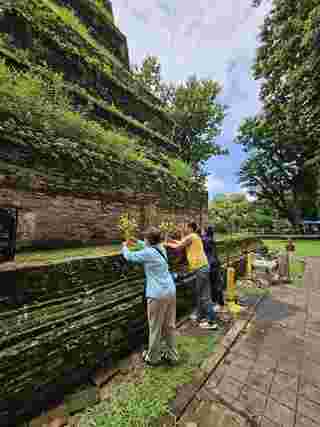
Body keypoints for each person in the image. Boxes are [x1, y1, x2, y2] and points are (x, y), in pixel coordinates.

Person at [122, 227, 179, 366]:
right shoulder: (160, 248)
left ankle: (153, 357)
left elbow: (130, 256)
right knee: (169, 326)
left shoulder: (148, 253)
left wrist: (124, 247)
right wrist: (138, 241)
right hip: (170, 291)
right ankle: (172, 354)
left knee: (155, 327)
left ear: (149, 240)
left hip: (157, 295)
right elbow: (148, 246)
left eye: (145, 238)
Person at [166, 222, 217, 330]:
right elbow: (181, 242)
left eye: (186, 227)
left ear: (190, 228)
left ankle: (211, 321)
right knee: (204, 294)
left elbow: (178, 247)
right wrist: (172, 241)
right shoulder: (195, 236)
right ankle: (202, 316)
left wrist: (165, 244)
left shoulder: (191, 236)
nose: (184, 229)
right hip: (204, 267)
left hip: (200, 269)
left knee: (203, 295)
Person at [202, 226, 224, 311]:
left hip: (211, 264)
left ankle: (215, 302)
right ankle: (220, 302)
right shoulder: (211, 239)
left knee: (213, 285)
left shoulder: (206, 240)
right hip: (215, 263)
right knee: (217, 283)